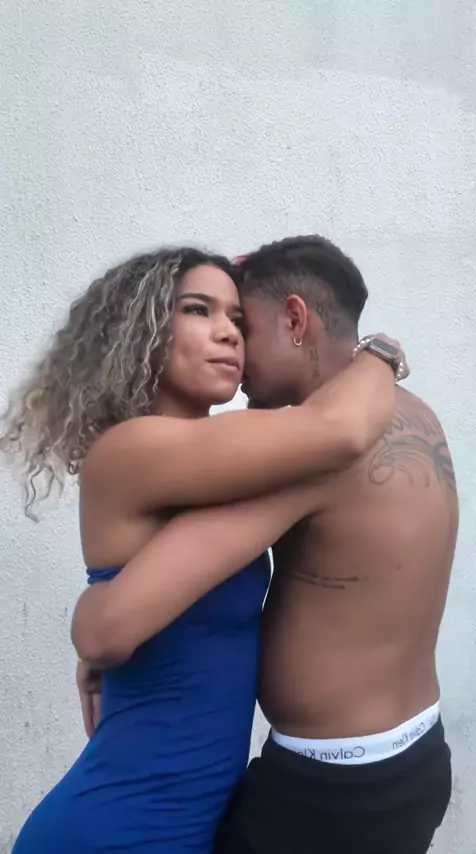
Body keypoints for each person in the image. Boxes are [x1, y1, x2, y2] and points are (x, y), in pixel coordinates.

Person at [2, 243, 404, 854]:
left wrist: (102, 628)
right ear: (141, 330)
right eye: (198, 310)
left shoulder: (214, 458)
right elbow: (339, 430)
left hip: (186, 826)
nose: (228, 332)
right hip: (118, 828)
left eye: (238, 319)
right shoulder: (132, 449)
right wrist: (381, 355)